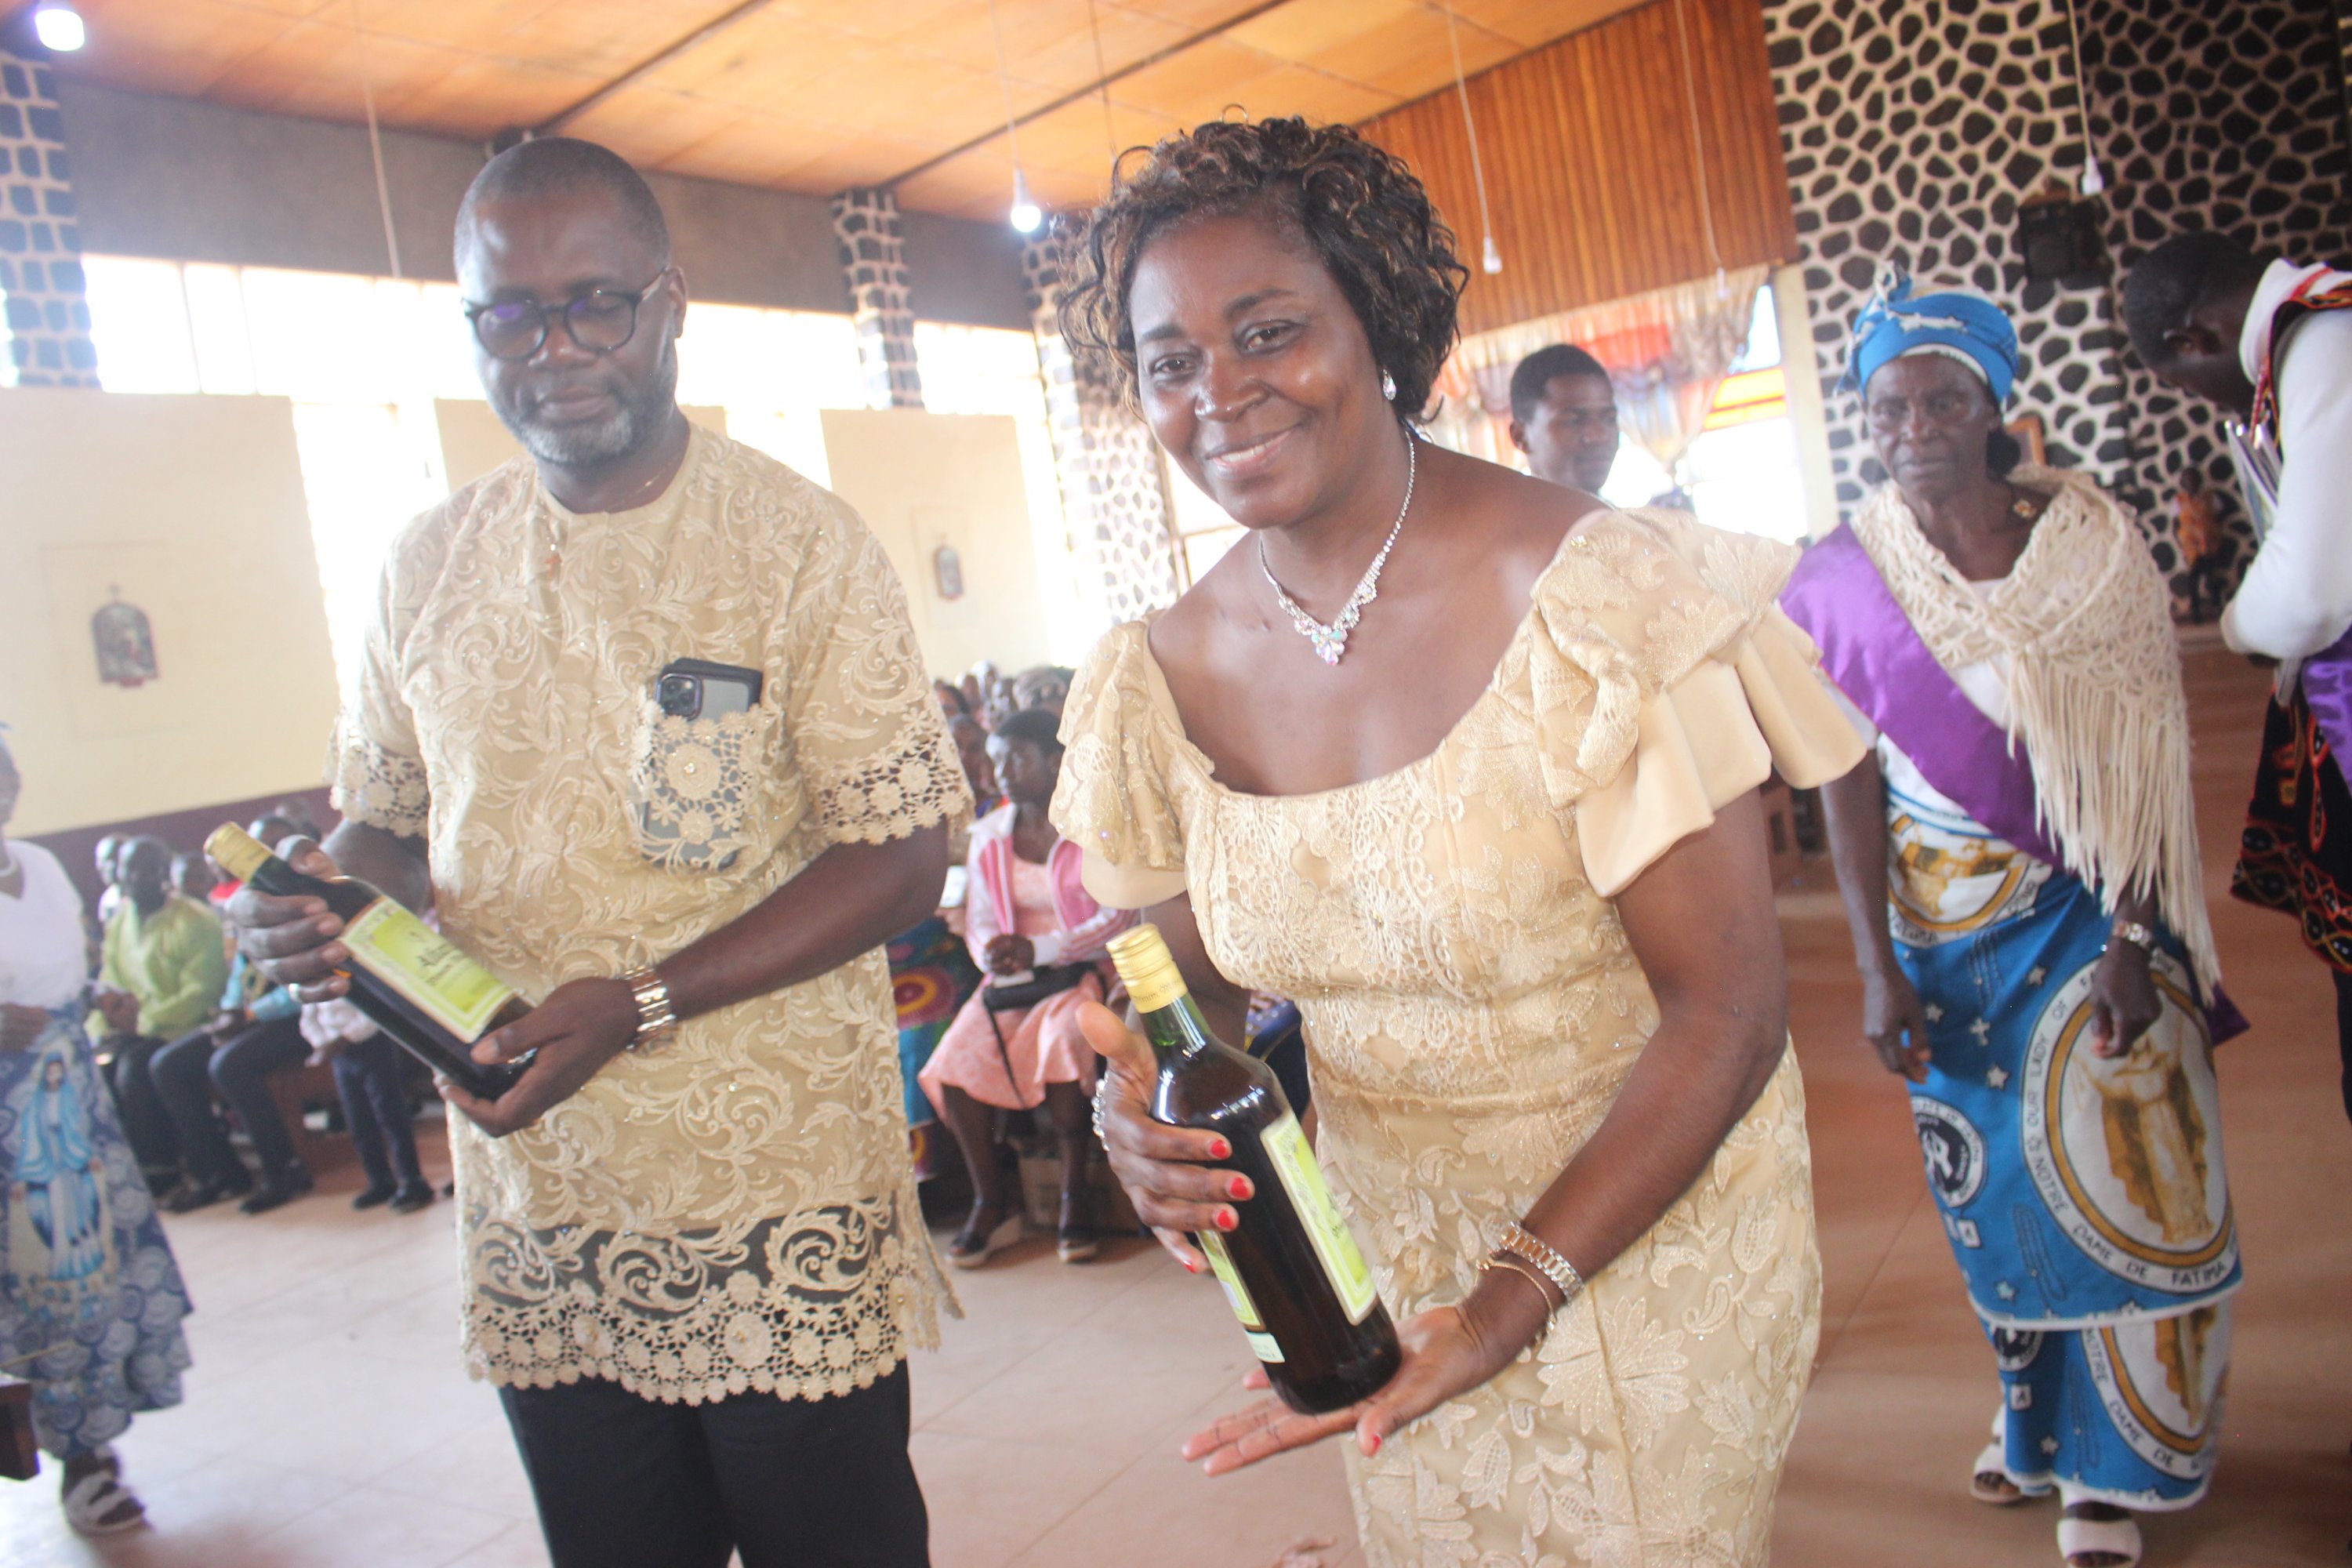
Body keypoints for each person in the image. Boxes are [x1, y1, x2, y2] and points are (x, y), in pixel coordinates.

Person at [1050, 117, 1862, 1563]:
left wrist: (1502, 1309)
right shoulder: (1157, 674)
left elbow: (1730, 1013)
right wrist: (1145, 1115)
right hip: (1382, 1284)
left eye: (1269, 332)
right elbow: (1192, 992)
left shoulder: (1591, 599)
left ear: (1377, 320)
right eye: (1172, 362)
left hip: (1648, 1233)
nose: (1220, 394)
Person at [226, 136, 964, 1568]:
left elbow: (900, 858)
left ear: (670, 304)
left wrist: (640, 1002)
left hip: (772, 1187)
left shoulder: (798, 544)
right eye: (509, 313)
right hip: (541, 1188)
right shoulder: (424, 565)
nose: (552, 349)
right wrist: (322, 907)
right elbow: (385, 826)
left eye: (595, 305)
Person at [1784, 270, 2241, 1568]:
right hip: (1943, 936)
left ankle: (2118, 1470)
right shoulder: (1843, 577)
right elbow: (1845, 777)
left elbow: (2146, 751)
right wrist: (1875, 965)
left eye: (1942, 401)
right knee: (2000, 1196)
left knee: (2135, 1180)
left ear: (1995, 406)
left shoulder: (2091, 547)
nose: (1914, 429)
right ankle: (2036, 1426)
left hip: (2094, 906)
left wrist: (2134, 938)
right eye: (1889, 408)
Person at [2124, 232, 2352, 1127]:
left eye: (2187, 384)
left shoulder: (2323, 339)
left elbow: (2307, 594)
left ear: (2195, 338)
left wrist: (2233, 626)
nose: (2211, 401)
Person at [0, 736, 193, 1537]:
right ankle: (65, 1450)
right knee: (36, 1282)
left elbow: (60, 977)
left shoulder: (40, 866)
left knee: (92, 1275)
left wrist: (99, 995)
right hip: (9, 1127)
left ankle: (94, 1451)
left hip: (74, 1103)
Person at [919, 707, 1134, 1267]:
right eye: (996, 762)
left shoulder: (1092, 824)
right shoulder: (991, 835)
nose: (1002, 773)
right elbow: (981, 917)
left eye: (1017, 758)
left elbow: (1118, 915)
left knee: (1064, 1038)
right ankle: (992, 1200)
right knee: (953, 1058)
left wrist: (1040, 949)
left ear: (1055, 761)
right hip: (1015, 978)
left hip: (1085, 969)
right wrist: (991, 952)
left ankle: (1073, 1196)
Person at [90, 837, 229, 1193]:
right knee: (102, 1071)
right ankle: (138, 1171)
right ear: (118, 873)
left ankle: (171, 1172)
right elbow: (110, 981)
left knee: (136, 1071)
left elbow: (202, 991)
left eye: (150, 868)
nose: (140, 877)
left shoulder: (195, 919)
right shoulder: (121, 921)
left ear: (166, 874)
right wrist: (105, 1023)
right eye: (131, 868)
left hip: (189, 1025)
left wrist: (144, 1022)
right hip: (137, 1029)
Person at [148, 943, 313, 1214]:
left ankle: (285, 1170)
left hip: (298, 1018)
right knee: (168, 1065)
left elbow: (302, 989)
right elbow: (240, 979)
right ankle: (220, 1173)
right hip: (250, 1018)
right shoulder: (245, 931)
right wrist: (228, 1015)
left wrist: (251, 1014)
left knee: (229, 1066)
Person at [303, 996, 432, 1213]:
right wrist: (322, 1042)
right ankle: (380, 1181)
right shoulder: (312, 982)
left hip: (371, 1044)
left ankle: (413, 1181)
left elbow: (373, 1011)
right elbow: (308, 1018)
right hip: (338, 1053)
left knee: (390, 1115)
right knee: (358, 1119)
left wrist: (345, 1038)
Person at [1507, 341, 1622, 494]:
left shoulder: (1623, 508)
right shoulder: (1500, 509)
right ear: (1521, 436)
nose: (1599, 436)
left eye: (1610, 419)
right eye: (1573, 421)